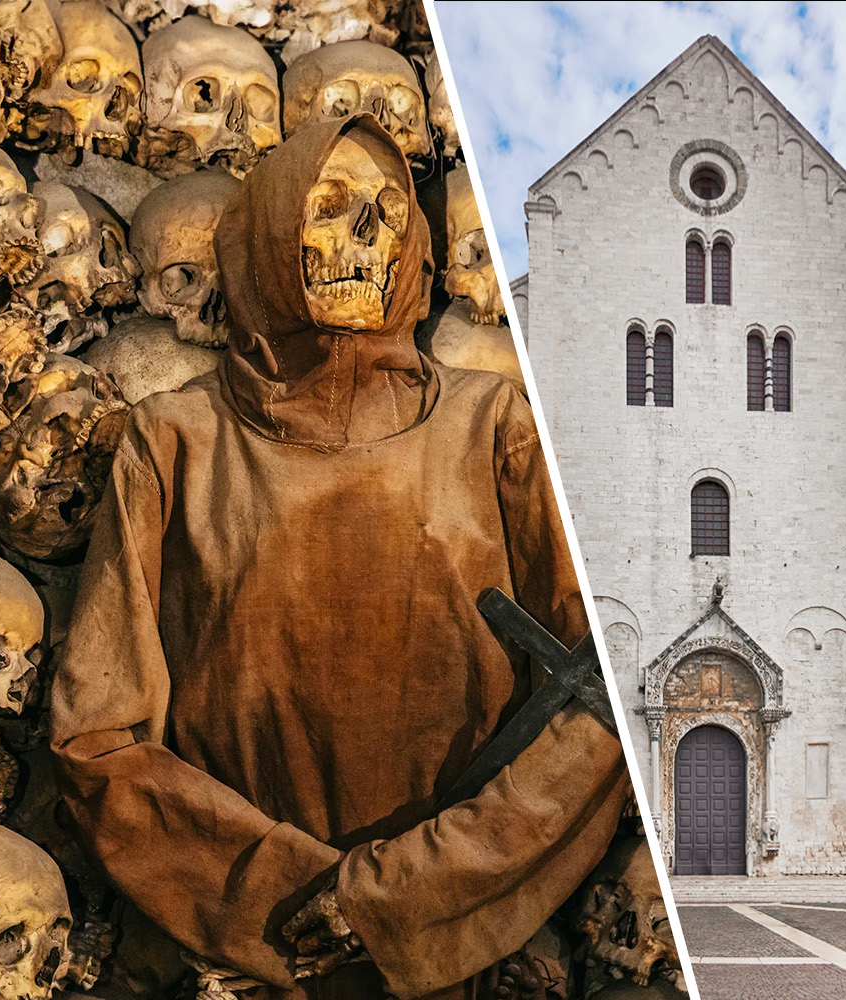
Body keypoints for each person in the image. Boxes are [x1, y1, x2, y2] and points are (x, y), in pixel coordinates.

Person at [50, 114, 629, 1000]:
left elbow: (603, 707)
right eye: (328, 206)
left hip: (448, 960)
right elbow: (99, 738)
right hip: (250, 963)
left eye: (391, 213)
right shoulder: (174, 443)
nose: (367, 232)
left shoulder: (493, 429)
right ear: (267, 238)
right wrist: (287, 898)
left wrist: (409, 894)